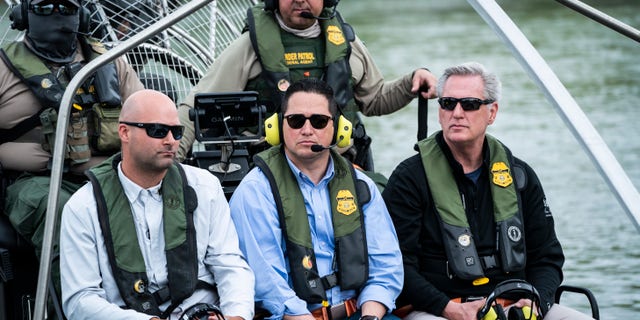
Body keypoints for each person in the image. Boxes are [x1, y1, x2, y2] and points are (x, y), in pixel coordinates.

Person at [382, 62, 593, 320]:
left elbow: (547, 257)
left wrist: (537, 301)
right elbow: (397, 266)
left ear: (492, 112)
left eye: (469, 104)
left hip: (516, 307)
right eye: (448, 103)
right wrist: (450, 309)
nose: (457, 113)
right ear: (440, 112)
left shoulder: (521, 176)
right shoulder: (409, 179)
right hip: (439, 309)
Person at [0, 0, 144, 315]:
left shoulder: (109, 61)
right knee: (64, 214)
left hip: (107, 176)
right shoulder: (3, 65)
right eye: (44, 6)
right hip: (32, 182)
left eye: (65, 6)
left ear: (82, 14)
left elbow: (146, 121)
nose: (56, 14)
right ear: (24, 14)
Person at [59, 89, 255, 320]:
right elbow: (80, 301)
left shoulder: (206, 187)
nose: (170, 140)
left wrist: (236, 316)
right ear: (124, 132)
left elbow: (230, 265)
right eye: (158, 130)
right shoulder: (83, 207)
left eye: (176, 131)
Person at [176, 0, 438, 172]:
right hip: (270, 170)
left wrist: (410, 82)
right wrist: (170, 162)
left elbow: (375, 99)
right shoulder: (248, 47)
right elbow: (194, 108)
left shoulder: (347, 43)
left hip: (342, 167)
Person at [229, 78, 403, 320]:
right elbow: (267, 283)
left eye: (319, 121)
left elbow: (385, 267)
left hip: (361, 314)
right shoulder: (256, 191)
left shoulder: (362, 186)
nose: (307, 130)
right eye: (296, 120)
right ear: (278, 126)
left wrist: (370, 316)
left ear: (339, 128)